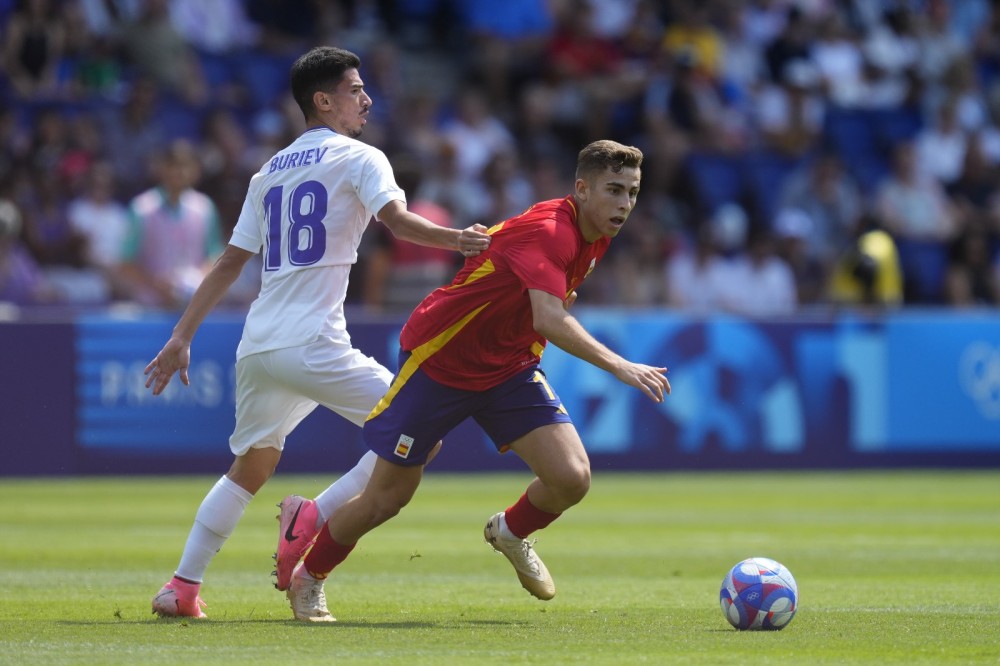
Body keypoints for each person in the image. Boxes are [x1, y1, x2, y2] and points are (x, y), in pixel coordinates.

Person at [143, 45, 491, 619]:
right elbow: (398, 223)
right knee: (420, 431)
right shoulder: (362, 157)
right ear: (323, 100)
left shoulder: (266, 171)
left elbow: (230, 262)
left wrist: (183, 334)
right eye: (355, 89)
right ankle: (312, 518)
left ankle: (182, 587)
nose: (367, 98)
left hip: (258, 345)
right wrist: (460, 240)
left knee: (250, 466)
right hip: (313, 342)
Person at [280, 139, 671, 622]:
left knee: (571, 478)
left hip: (508, 366)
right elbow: (548, 317)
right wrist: (620, 365)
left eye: (632, 193)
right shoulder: (551, 231)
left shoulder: (599, 232)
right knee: (387, 499)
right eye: (614, 190)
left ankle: (510, 531)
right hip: (441, 360)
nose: (624, 204)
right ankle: (309, 577)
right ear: (582, 189)